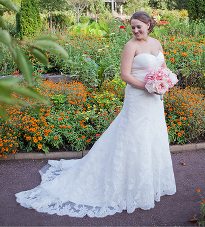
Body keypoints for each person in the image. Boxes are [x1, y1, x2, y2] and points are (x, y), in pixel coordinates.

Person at [15, 11, 176, 218]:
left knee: (152, 135)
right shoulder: (131, 46)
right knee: (133, 136)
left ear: (148, 24)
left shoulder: (157, 43)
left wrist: (164, 84)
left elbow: (163, 68)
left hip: (155, 99)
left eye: (139, 26)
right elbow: (125, 75)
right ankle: (125, 183)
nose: (135, 30)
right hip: (138, 97)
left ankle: (148, 182)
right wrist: (148, 86)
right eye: (132, 27)